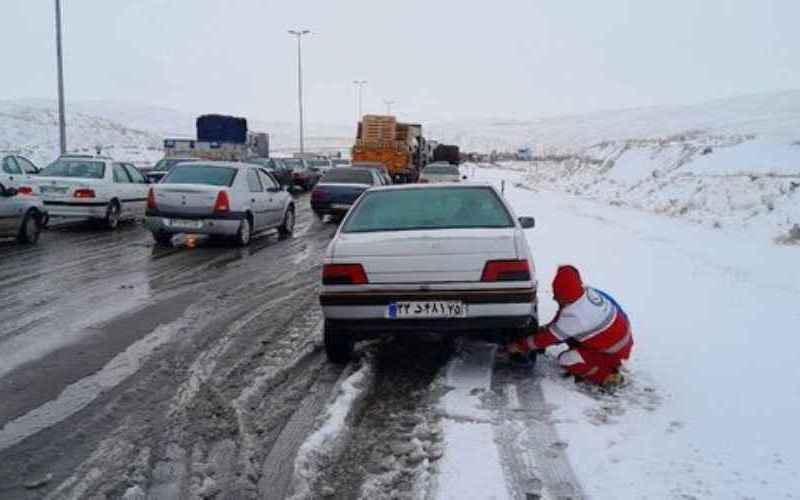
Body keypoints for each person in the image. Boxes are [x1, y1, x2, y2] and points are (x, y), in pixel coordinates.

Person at [508, 265, 633, 387]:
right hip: (620, 337)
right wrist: (545, 329)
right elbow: (560, 321)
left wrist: (520, 346)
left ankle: (607, 375)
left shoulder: (576, 317)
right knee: (568, 334)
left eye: (557, 294)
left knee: (566, 359)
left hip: (613, 351)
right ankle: (601, 359)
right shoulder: (586, 292)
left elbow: (549, 338)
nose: (553, 297)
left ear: (564, 296)